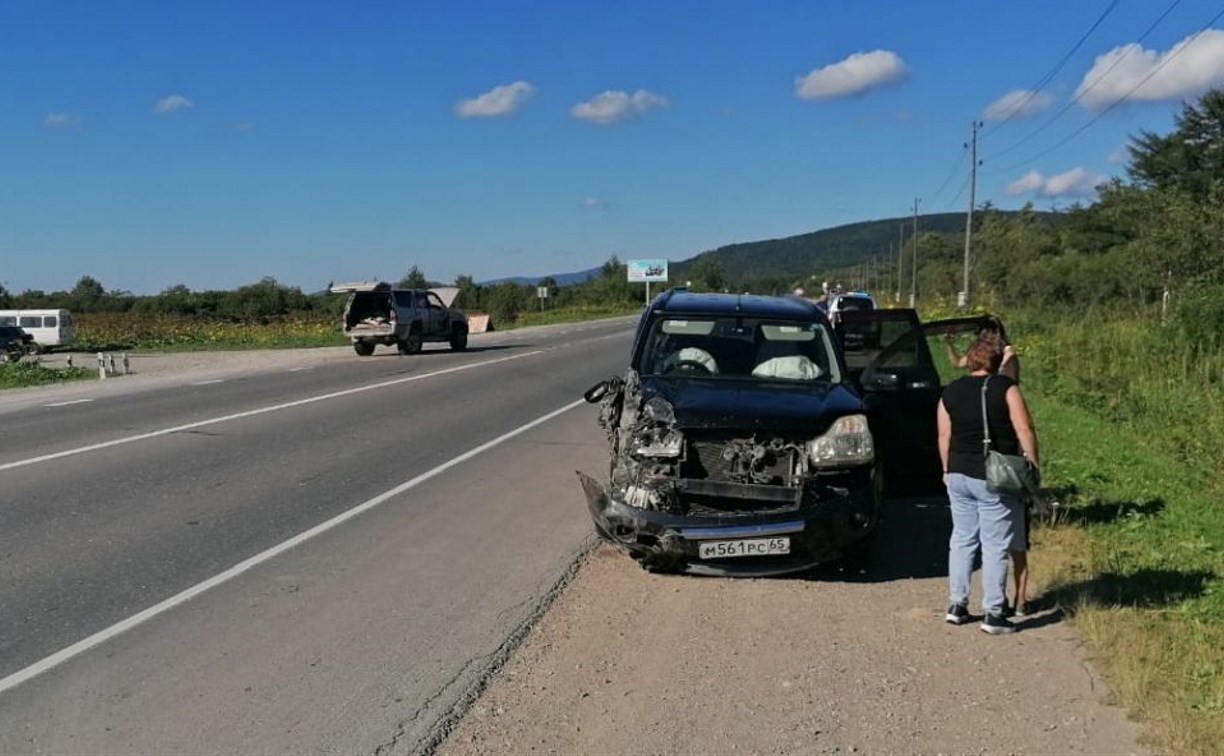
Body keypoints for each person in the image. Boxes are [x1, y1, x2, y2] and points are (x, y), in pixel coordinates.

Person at [937, 337, 1040, 635]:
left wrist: (946, 470)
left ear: (970, 359)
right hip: (994, 476)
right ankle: (994, 613)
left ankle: (957, 605)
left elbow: (944, 436)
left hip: (957, 474)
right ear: (996, 362)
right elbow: (1024, 428)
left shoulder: (950, 392)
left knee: (962, 539)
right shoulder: (1006, 388)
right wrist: (1033, 465)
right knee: (995, 544)